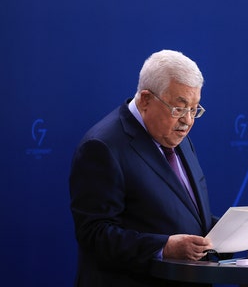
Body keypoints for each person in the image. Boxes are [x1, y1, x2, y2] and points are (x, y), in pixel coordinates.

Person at [69, 50, 217, 286]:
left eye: (194, 109)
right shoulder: (102, 147)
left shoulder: (177, 137)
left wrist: (232, 232)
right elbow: (94, 235)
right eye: (179, 108)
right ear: (146, 99)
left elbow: (183, 211)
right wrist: (164, 247)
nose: (188, 120)